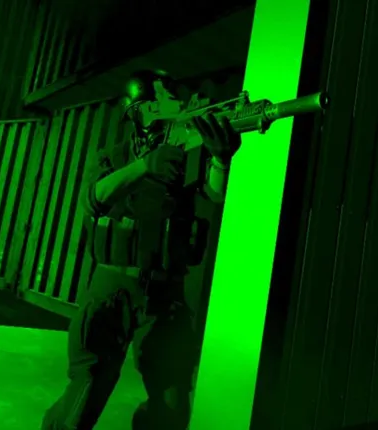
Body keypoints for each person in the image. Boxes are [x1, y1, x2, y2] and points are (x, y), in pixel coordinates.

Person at [42, 69, 242, 430]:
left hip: (164, 293)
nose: (172, 107)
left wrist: (220, 160)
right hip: (112, 287)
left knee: (171, 402)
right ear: (137, 113)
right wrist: (144, 166)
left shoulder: (184, 156)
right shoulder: (113, 158)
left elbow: (215, 195)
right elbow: (93, 200)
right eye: (160, 102)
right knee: (87, 389)